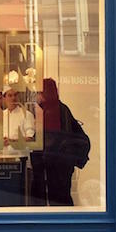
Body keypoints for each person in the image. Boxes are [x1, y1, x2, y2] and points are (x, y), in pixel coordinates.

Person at [37, 78, 80, 206]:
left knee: (58, 197)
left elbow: (53, 138)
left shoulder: (51, 111)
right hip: (64, 161)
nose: (37, 95)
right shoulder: (61, 108)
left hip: (57, 161)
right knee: (63, 195)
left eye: (39, 92)